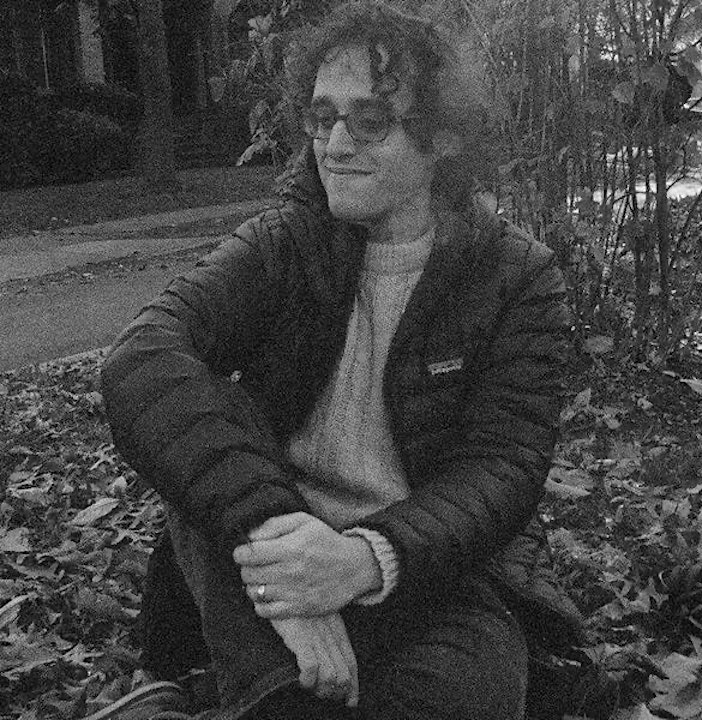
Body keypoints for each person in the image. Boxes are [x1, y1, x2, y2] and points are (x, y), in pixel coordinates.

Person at [99, 2, 584, 719]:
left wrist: (363, 560)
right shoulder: (282, 244)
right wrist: (277, 543)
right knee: (202, 423)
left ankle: (205, 702)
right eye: (322, 117)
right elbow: (141, 356)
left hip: (428, 568)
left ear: (443, 137)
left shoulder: (516, 276)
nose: (334, 144)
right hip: (262, 551)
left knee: (465, 698)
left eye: (370, 121)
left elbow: (502, 468)